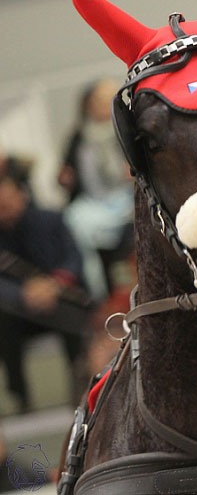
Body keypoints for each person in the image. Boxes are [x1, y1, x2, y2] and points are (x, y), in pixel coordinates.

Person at [0, 155, 92, 412]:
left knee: (73, 313)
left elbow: (74, 257)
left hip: (57, 296)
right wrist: (22, 294)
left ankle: (81, 385)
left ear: (21, 195)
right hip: (21, 307)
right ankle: (20, 396)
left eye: (7, 203)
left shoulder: (50, 219)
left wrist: (54, 284)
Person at [58, 77, 134, 301]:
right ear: (88, 105)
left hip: (127, 198)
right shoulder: (78, 137)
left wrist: (134, 170)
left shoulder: (126, 128)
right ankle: (95, 291)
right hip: (93, 202)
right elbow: (68, 173)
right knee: (73, 223)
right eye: (100, 100)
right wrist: (65, 178)